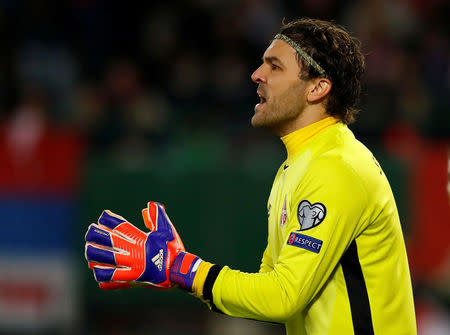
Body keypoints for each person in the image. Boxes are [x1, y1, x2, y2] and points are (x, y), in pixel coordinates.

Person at [84, 18, 417, 335]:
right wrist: (180, 271)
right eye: (263, 63)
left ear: (317, 87)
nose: (257, 74)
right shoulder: (297, 166)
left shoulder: (335, 168)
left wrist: (184, 269)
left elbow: (283, 297)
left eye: (275, 66)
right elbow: (265, 290)